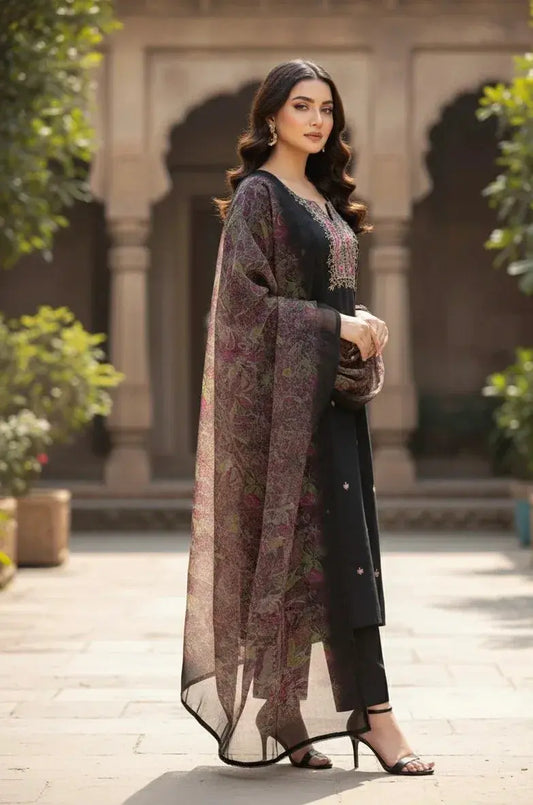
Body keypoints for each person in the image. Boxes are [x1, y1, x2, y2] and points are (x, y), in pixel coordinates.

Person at [180, 57, 435, 776]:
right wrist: (333, 325)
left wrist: (358, 326)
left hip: (329, 410)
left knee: (345, 561)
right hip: (282, 418)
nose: (318, 118)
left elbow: (327, 297)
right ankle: (342, 715)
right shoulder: (261, 197)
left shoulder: (320, 197)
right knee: (299, 560)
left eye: (326, 106)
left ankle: (321, 711)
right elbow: (240, 310)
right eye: (301, 105)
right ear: (270, 116)